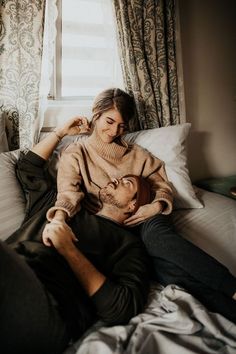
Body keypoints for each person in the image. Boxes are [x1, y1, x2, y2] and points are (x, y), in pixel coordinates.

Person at [45, 87, 236, 324]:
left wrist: (156, 206)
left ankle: (232, 287)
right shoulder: (75, 153)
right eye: (110, 121)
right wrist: (59, 217)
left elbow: (161, 183)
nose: (114, 131)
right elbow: (68, 192)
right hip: (116, 228)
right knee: (170, 272)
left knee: (157, 239)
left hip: (149, 215)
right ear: (95, 114)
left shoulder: (137, 154)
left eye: (122, 126)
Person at [2, 129, 151, 354]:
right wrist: (61, 132)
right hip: (12, 266)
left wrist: (68, 249)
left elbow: (122, 308)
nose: (117, 178)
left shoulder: (128, 245)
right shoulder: (59, 203)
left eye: (128, 183)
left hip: (48, 305)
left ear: (133, 205)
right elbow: (27, 167)